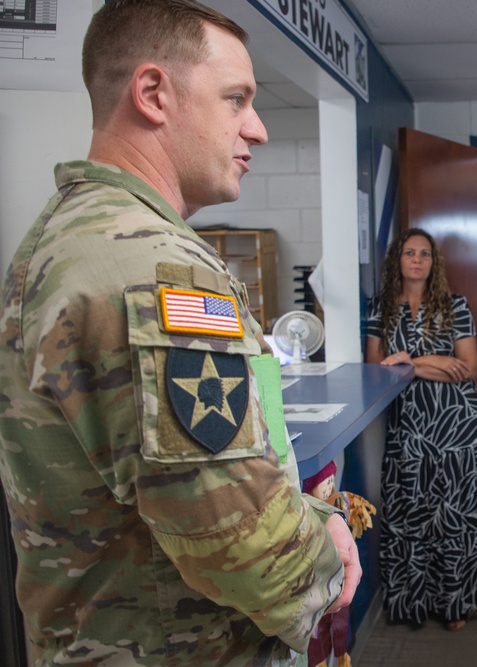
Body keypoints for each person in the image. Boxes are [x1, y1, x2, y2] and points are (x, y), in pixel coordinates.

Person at [0, 2, 360, 665]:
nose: (258, 129)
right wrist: (326, 559)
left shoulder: (69, 236)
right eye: (236, 100)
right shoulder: (154, 268)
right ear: (153, 93)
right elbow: (242, 541)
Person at [366, 228, 477, 631]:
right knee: (413, 511)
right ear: (398, 260)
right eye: (409, 253)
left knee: (457, 515)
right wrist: (429, 363)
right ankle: (414, 601)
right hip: (409, 426)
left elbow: (466, 368)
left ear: (434, 262)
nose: (417, 260)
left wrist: (408, 360)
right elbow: (375, 368)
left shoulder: (454, 305)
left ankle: (456, 603)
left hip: (459, 428)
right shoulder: (381, 308)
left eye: (424, 254)